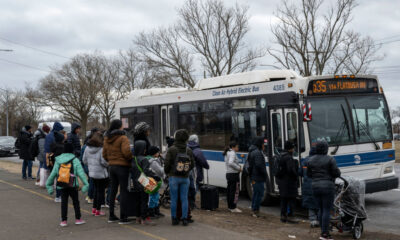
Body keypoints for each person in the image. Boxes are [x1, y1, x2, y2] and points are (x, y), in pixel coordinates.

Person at [46, 142, 89, 227]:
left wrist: (49, 186)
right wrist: (86, 185)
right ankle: (78, 219)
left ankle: (63, 221)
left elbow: (53, 174)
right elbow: (81, 174)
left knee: (64, 203)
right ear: (72, 150)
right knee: (76, 202)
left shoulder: (58, 160)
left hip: (62, 184)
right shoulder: (75, 160)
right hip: (72, 184)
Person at [307, 141, 341, 240]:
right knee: (326, 209)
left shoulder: (310, 160)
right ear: (326, 149)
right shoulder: (330, 159)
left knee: (320, 209)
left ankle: (323, 231)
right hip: (328, 186)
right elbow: (336, 173)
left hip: (315, 186)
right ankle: (325, 234)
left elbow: (309, 175)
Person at [103, 119, 133, 224]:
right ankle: (123, 217)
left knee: (113, 190)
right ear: (119, 127)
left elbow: (104, 155)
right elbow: (126, 152)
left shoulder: (107, 138)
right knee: (124, 191)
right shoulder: (123, 138)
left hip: (111, 167)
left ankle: (111, 215)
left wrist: (111, 160)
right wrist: (130, 159)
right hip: (122, 167)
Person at [164, 129, 195, 226]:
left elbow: (167, 163)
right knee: (184, 198)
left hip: (174, 177)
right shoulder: (188, 150)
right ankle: (184, 218)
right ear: (186, 138)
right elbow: (192, 164)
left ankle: (174, 219)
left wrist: (167, 172)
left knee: (174, 199)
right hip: (185, 178)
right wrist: (186, 171)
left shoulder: (172, 149)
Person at [131, 140, 158, 225]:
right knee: (144, 200)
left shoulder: (133, 159)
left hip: (136, 182)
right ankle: (144, 218)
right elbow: (147, 171)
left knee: (137, 200)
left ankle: (138, 218)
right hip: (144, 182)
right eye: (144, 148)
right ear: (142, 149)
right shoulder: (144, 159)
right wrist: (155, 176)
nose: (145, 150)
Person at [83, 132, 108, 217]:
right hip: (100, 173)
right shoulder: (101, 149)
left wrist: (91, 165)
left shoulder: (87, 148)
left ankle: (94, 209)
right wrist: (109, 164)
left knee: (95, 190)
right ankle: (98, 210)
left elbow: (84, 160)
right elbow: (104, 162)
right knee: (100, 191)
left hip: (92, 172)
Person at [276, 141, 299, 223]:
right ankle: (291, 216)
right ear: (290, 149)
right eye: (293, 148)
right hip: (289, 182)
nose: (293, 149)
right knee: (291, 200)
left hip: (281, 182)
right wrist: (296, 175)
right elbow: (291, 170)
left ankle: (283, 216)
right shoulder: (289, 158)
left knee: (283, 200)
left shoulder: (280, 156)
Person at [299, 146, 319, 228]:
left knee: (310, 204)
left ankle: (313, 221)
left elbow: (300, 172)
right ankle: (320, 220)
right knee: (318, 203)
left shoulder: (305, 161)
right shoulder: (318, 160)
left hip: (307, 185)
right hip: (317, 184)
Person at [187, 134, 209, 209]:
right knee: (194, 188)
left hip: (187, 171)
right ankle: (191, 204)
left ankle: (189, 203)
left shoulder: (187, 147)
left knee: (189, 187)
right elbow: (202, 161)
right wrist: (207, 166)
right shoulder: (197, 150)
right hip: (195, 172)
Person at [248, 137, 267, 218]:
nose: (264, 146)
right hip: (258, 177)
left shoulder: (252, 152)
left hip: (254, 176)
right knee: (259, 194)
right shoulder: (258, 153)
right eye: (263, 144)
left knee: (256, 193)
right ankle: (255, 211)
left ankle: (254, 210)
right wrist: (265, 174)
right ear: (260, 144)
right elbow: (259, 165)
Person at [223, 141, 242, 213]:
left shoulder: (228, 152)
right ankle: (233, 207)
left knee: (230, 191)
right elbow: (231, 163)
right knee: (235, 191)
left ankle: (230, 206)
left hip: (229, 174)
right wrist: (238, 168)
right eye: (237, 147)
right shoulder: (233, 153)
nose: (238, 148)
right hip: (234, 174)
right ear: (233, 147)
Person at [147, 146, 165, 218]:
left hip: (151, 181)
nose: (159, 153)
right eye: (158, 152)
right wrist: (165, 167)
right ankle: (152, 211)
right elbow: (160, 171)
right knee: (153, 197)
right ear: (154, 153)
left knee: (154, 196)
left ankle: (155, 211)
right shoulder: (153, 162)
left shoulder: (150, 160)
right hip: (154, 181)